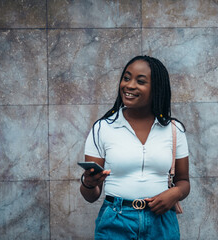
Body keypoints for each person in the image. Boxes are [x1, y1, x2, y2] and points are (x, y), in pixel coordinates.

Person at [79, 55, 190, 240]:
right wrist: (88, 183)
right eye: (126, 78)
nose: (129, 86)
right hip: (115, 220)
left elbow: (184, 181)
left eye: (140, 81)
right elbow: (91, 196)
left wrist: (174, 193)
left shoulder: (174, 129)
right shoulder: (103, 128)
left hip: (161, 221)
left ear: (156, 88)